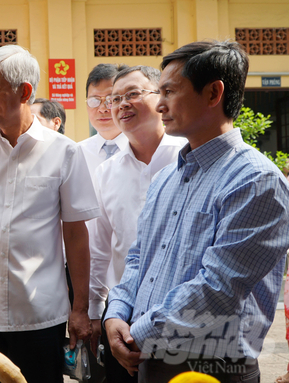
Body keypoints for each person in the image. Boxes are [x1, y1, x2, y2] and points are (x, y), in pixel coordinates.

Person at [104, 40, 289, 383]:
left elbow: (218, 290)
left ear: (213, 93)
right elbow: (138, 259)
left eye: (170, 91)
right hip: (148, 359)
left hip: (213, 368)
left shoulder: (255, 180)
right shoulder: (166, 178)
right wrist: (115, 314)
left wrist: (135, 333)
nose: (159, 104)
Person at [0, 45, 99, 383]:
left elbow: (75, 234)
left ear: (24, 91)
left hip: (40, 317)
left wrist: (80, 309)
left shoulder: (64, 153)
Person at [87, 65, 187, 383]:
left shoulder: (188, 160)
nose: (120, 104)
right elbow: (99, 250)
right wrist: (94, 313)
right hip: (122, 320)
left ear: (162, 98)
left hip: (183, 319)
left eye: (133, 94)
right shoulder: (106, 172)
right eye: (116, 98)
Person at [79, 63, 130, 184]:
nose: (102, 109)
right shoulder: (77, 153)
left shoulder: (145, 151)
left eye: (110, 100)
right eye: (94, 100)